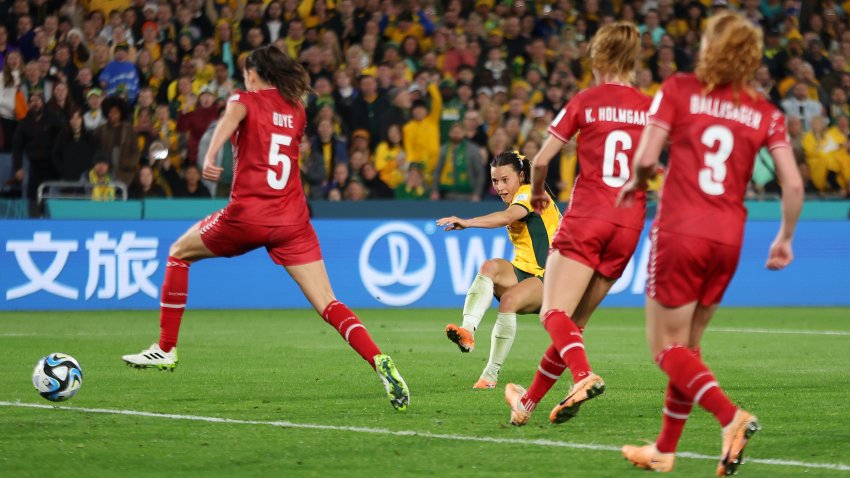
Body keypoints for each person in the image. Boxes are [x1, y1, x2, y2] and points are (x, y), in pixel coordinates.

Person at [121, 45, 410, 412]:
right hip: (292, 220)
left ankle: (164, 348)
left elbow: (224, 129)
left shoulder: (244, 99)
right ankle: (378, 359)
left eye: (246, 73)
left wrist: (210, 159)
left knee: (178, 253)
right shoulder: (297, 109)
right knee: (328, 302)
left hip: (248, 215)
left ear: (254, 74)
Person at [617, 13, 803, 474]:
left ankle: (730, 417)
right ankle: (664, 449)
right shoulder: (766, 113)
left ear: (710, 48)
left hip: (680, 230)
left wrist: (635, 181)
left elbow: (644, 157)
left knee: (665, 348)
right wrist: (784, 238)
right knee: (689, 348)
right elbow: (794, 185)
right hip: (728, 238)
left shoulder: (679, 89)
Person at [502, 22, 652, 426]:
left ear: (598, 57)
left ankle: (583, 376)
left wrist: (535, 195)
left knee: (553, 311)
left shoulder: (586, 100)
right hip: (630, 223)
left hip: (589, 216)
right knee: (572, 324)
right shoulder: (648, 105)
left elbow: (543, 159)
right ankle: (527, 405)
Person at [438, 151, 562, 389]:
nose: (500, 187)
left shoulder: (529, 192)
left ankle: (490, 375)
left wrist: (469, 222)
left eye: (505, 180)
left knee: (509, 301)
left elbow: (507, 217)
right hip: (526, 271)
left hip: (553, 277)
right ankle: (467, 331)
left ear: (522, 176)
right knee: (490, 267)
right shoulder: (521, 194)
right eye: (495, 181)